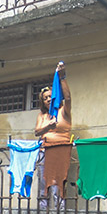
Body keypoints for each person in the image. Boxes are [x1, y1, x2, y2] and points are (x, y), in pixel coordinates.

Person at [34, 62, 72, 203]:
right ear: (42, 102)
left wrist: (62, 78)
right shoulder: (42, 116)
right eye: (45, 98)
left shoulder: (63, 112)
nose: (49, 99)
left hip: (61, 150)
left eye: (51, 96)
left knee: (58, 185)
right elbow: (37, 132)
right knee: (43, 185)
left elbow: (67, 98)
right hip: (45, 150)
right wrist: (47, 128)